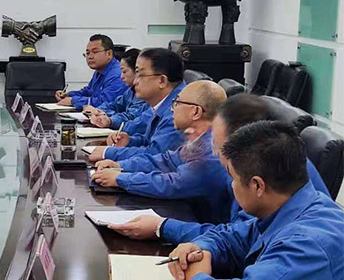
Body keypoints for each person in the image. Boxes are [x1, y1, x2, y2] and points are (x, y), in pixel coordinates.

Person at [167, 121, 344, 280]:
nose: (231, 186)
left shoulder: (310, 244)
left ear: (258, 186)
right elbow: (232, 237)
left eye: (233, 178)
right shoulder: (291, 207)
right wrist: (200, 249)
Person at [108, 93, 331, 242]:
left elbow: (240, 238)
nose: (213, 148)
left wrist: (163, 227)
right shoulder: (268, 155)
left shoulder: (258, 169)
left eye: (215, 139)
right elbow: (237, 237)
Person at [91, 80, 230, 224]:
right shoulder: (201, 139)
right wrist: (120, 165)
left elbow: (173, 184)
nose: (172, 109)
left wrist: (120, 179)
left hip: (205, 227)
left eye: (177, 103)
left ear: (196, 112)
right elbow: (165, 160)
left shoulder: (212, 151)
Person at [89, 48, 185, 163]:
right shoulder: (159, 101)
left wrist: (108, 153)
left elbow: (156, 156)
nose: (135, 82)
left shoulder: (178, 110)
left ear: (162, 81)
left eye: (140, 74)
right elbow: (149, 141)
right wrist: (130, 141)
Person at [54, 34, 127, 110]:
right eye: (88, 53)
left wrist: (73, 100)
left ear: (109, 54)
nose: (90, 57)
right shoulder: (99, 71)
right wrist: (68, 95)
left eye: (95, 52)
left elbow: (105, 102)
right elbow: (88, 92)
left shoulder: (118, 74)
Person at [86, 48, 148, 133]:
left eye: (124, 72)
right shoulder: (130, 91)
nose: (121, 76)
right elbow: (114, 104)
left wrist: (110, 120)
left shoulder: (145, 94)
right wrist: (98, 111)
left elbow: (132, 117)